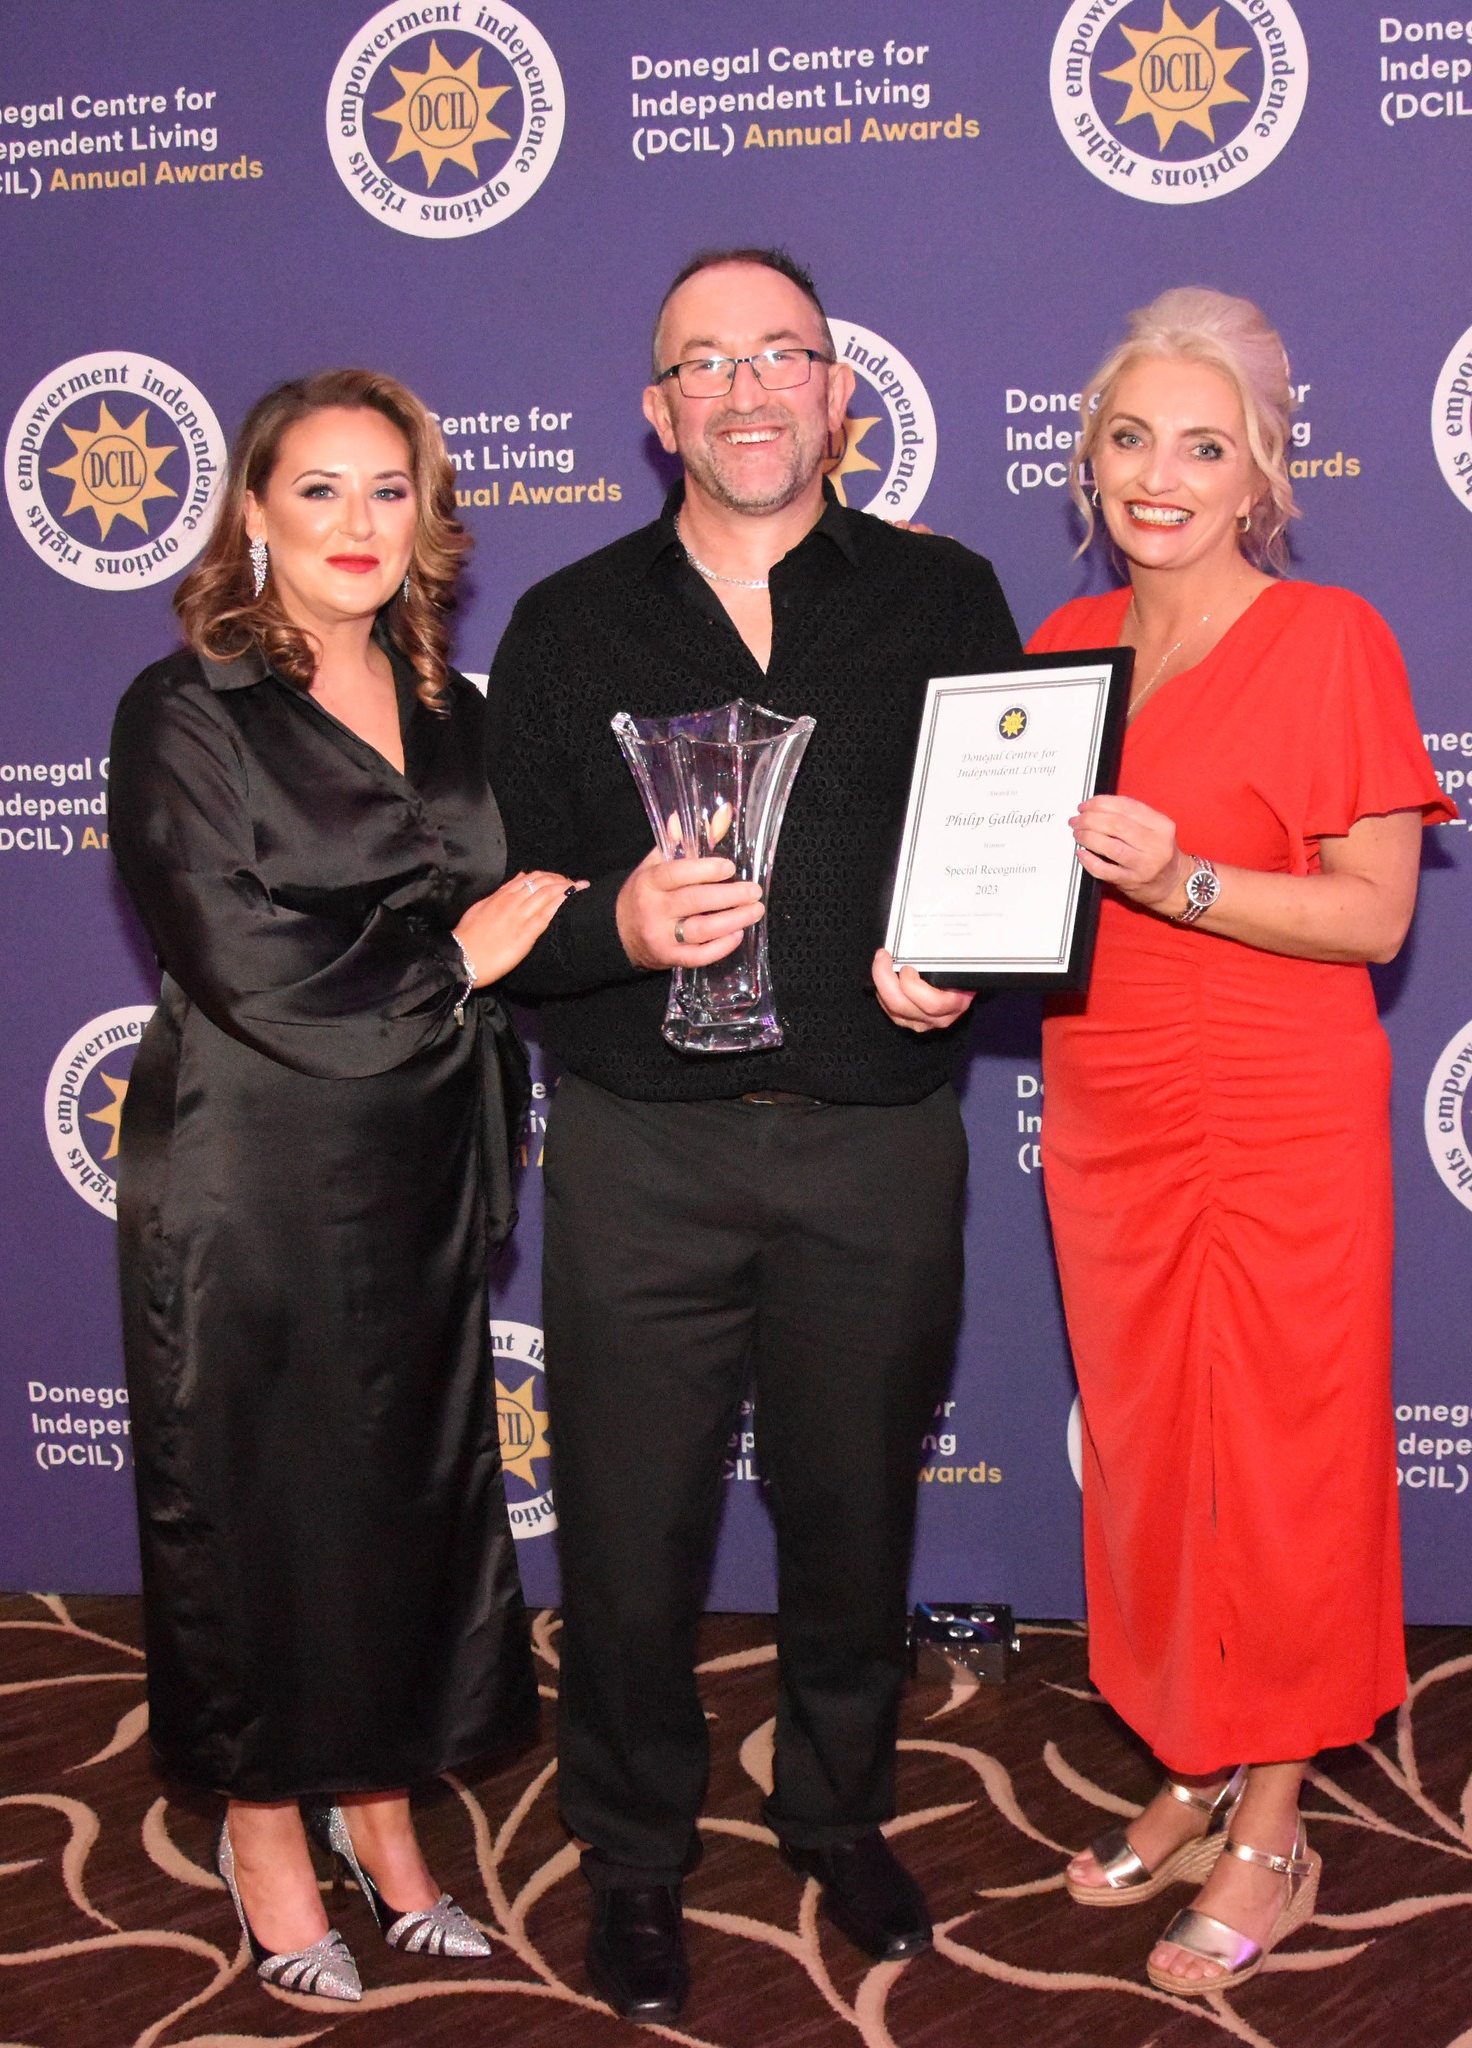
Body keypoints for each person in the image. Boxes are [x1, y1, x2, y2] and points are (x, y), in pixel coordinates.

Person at [484, 248, 1024, 2023]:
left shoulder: (944, 595)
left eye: (780, 355)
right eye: (705, 364)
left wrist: (971, 958)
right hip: (644, 1153)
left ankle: (837, 1815)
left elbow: (1012, 844)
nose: (745, 390)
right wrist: (617, 927)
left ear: (836, 393)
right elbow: (506, 918)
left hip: (878, 1141)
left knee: (855, 1516)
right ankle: (635, 1856)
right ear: (659, 413)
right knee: (627, 1533)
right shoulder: (567, 624)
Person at [108, 369, 581, 1999]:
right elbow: (236, 953)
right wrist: (455, 960)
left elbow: (536, 892)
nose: (358, 523)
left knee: (406, 1495)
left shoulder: (456, 707)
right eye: (320, 489)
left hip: (427, 1160)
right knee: (267, 1505)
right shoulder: (189, 709)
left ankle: (383, 1821)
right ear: (255, 512)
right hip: (255, 1167)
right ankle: (261, 1833)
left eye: (391, 489)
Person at [1027, 289, 1456, 1995]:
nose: (1161, 475)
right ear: (1089, 457)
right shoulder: (1060, 647)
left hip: (1277, 1108)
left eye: (1204, 447)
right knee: (1149, 1458)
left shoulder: (1331, 636)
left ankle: (1273, 1816)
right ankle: (1194, 1760)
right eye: (1131, 438)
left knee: (1280, 1463)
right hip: (1110, 1098)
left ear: (1262, 472)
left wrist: (1183, 878)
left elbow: (1374, 914)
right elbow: (1021, 893)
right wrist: (936, 959)